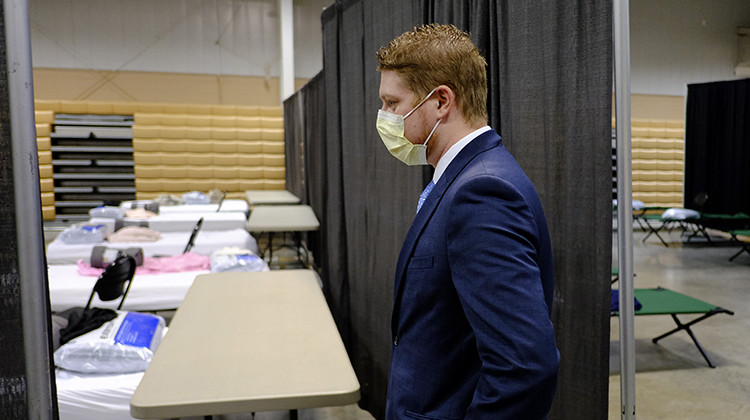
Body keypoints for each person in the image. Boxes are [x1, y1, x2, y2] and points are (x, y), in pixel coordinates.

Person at [376, 23, 559, 419]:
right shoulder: (465, 177)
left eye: (392, 103)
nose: (384, 117)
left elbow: (526, 367)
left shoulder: (482, 193)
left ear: (441, 100)